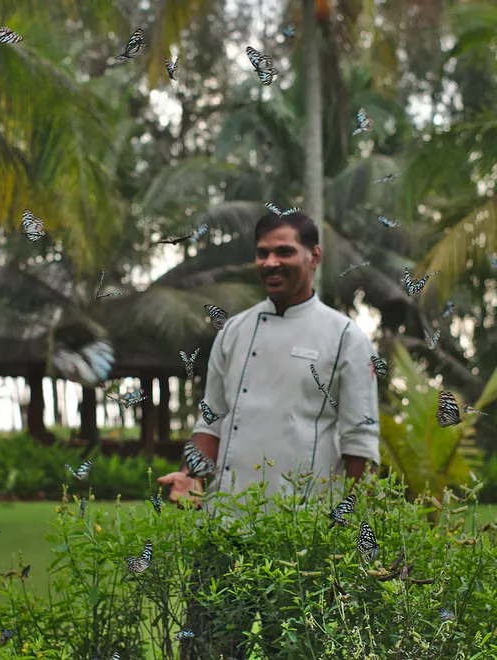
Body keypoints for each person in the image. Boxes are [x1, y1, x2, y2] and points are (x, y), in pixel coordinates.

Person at [157, 209, 381, 659]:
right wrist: (192, 475)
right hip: (224, 529)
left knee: (295, 652)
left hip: (299, 535)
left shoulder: (344, 338)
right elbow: (211, 424)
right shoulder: (234, 331)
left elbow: (360, 446)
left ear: (314, 256)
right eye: (262, 254)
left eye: (284, 251)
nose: (270, 263)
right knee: (208, 651)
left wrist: (347, 527)